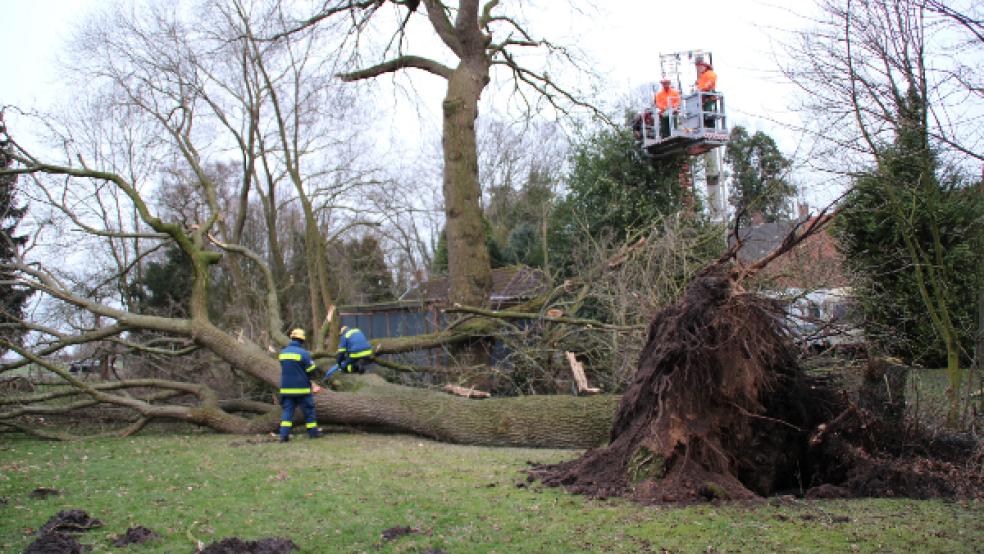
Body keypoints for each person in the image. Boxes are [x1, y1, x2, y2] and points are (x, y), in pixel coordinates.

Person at [277, 328, 322, 442]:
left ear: (291, 338)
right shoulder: (304, 353)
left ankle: (283, 435)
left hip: (286, 390)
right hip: (302, 390)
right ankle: (313, 433)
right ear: (302, 340)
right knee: (309, 412)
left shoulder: (282, 353)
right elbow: (311, 370)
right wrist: (313, 379)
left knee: (287, 412)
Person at [695, 60, 719, 128]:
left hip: (708, 95)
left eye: (700, 67)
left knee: (708, 113)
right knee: (702, 114)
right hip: (702, 96)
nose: (699, 69)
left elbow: (710, 82)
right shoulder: (702, 76)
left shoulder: (710, 73)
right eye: (698, 67)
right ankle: (705, 126)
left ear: (705, 66)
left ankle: (710, 128)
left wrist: (703, 88)